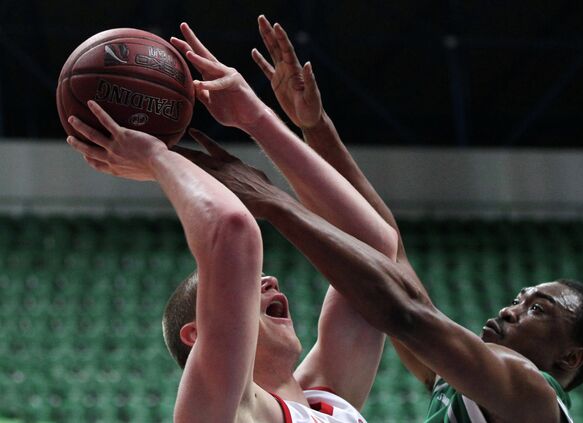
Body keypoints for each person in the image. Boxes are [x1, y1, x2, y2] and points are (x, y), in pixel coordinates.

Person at [176, 16, 583, 423]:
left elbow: (402, 310)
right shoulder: (461, 387)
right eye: (521, 299)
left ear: (569, 359)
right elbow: (388, 252)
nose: (509, 310)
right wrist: (315, 128)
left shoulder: (531, 397)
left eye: (537, 310)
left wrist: (273, 199)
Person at [67, 20, 400, 423]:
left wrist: (255, 116)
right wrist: (156, 158)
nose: (269, 280)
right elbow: (232, 232)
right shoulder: (221, 412)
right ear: (197, 334)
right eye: (245, 287)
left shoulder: (328, 401)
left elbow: (374, 249)